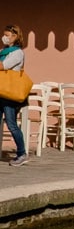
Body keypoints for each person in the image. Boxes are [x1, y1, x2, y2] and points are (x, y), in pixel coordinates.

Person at [0, 26, 28, 165]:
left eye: (8, 35)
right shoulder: (3, 51)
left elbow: (3, 66)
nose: (4, 37)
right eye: (4, 35)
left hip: (9, 93)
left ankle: (22, 153)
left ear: (15, 37)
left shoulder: (17, 53)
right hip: (0, 91)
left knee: (11, 124)